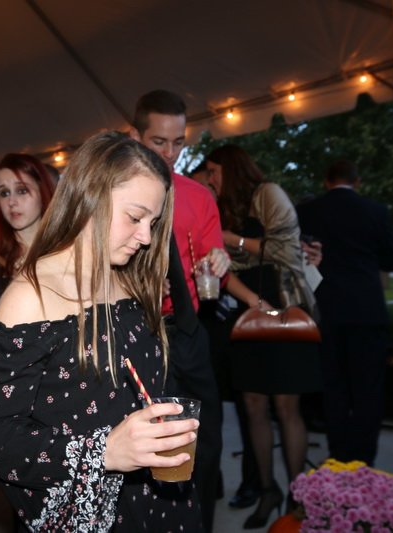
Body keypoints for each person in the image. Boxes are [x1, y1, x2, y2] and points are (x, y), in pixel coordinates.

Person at [0, 131, 202, 532]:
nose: (146, 237)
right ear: (89, 198)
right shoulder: (29, 298)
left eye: (152, 222)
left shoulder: (129, 279)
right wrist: (104, 452)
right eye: (135, 217)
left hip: (162, 501)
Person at [129, 89, 229, 532]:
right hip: (140, 333)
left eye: (178, 143)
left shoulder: (199, 196)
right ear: (136, 137)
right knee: (156, 451)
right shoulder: (116, 195)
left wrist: (219, 261)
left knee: (206, 442)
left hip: (189, 331)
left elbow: (213, 255)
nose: (170, 153)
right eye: (159, 142)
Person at [206, 144, 321, 529]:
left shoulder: (268, 193)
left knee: (287, 407)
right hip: (249, 311)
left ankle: (298, 497)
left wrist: (230, 238)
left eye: (214, 171)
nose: (211, 179)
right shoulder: (223, 208)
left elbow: (286, 251)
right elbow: (225, 266)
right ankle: (268, 489)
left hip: (284, 307)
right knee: (253, 405)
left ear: (232, 169)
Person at [296, 160, 393, 465]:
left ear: (327, 181)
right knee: (369, 388)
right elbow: (391, 260)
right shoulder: (376, 211)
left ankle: (339, 454)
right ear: (357, 181)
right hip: (367, 309)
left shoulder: (308, 211)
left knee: (334, 386)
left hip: (325, 309)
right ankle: (364, 457)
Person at [0, 153, 56, 396]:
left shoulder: (67, 255)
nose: (12, 202)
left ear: (43, 191)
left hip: (66, 389)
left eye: (22, 190)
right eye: (4, 193)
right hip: (12, 391)